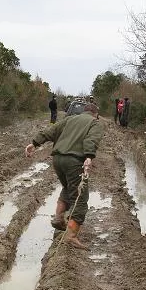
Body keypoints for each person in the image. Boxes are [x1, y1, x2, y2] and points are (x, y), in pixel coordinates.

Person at [25, 103, 104, 249]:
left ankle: (59, 218)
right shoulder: (94, 123)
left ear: (83, 111)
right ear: (95, 114)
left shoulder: (70, 119)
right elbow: (91, 140)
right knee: (80, 197)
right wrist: (89, 156)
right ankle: (71, 235)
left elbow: (51, 130)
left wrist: (34, 143)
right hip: (74, 161)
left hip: (57, 160)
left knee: (68, 188)